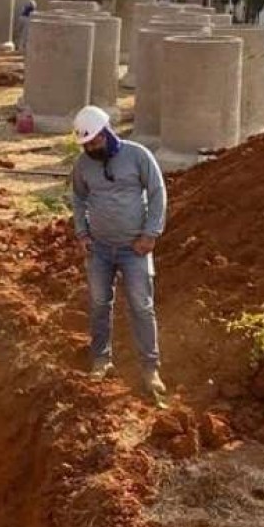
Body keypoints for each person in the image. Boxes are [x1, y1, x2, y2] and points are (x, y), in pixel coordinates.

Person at [71, 105, 167, 399]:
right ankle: (101, 360)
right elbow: (77, 197)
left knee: (141, 306)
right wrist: (82, 233)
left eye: (94, 142)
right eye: (85, 145)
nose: (90, 148)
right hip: (99, 249)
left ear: (106, 132)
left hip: (134, 249)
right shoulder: (83, 164)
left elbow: (157, 191)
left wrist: (151, 233)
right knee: (100, 303)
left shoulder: (137, 155)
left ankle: (150, 369)